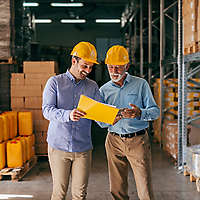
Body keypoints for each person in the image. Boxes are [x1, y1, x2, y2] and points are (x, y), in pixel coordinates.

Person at [98, 45, 160, 200]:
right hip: (113, 141)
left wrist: (140, 113)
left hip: (137, 140)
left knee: (144, 186)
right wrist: (112, 118)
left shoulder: (141, 84)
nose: (114, 71)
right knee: (117, 187)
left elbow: (155, 112)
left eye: (118, 68)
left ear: (127, 66)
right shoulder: (103, 90)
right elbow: (100, 122)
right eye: (111, 67)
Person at [42, 41, 102, 200]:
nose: (88, 71)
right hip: (58, 147)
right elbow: (47, 111)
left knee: (80, 194)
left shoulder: (92, 86)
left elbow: (99, 114)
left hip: (82, 148)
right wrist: (68, 115)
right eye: (85, 66)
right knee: (59, 193)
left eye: (90, 67)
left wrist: (114, 116)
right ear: (74, 61)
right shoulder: (54, 83)